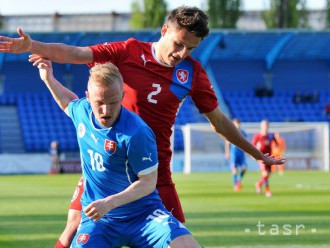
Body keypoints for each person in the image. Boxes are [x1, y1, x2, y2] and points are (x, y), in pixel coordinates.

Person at [0, 6, 285, 247]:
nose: (182, 53)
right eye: (178, 43)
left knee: (179, 240)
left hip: (153, 173)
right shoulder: (128, 52)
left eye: (191, 48)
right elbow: (75, 53)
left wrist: (254, 152)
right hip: (108, 167)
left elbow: (219, 121)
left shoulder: (192, 73)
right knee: (73, 225)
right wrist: (33, 46)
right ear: (164, 31)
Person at [36, 58, 201, 247]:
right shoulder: (82, 112)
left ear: (122, 96)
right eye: (100, 103)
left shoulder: (137, 132)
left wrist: (108, 203)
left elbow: (148, 183)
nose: (106, 110)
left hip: (143, 216)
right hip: (101, 221)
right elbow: (67, 101)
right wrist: (48, 78)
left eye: (113, 102)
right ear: (88, 97)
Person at [252, 120, 278, 197]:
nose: (265, 126)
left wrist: (276, 143)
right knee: (265, 173)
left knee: (268, 175)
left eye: (266, 125)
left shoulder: (271, 136)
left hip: (269, 157)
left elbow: (276, 144)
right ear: (261, 126)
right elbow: (253, 145)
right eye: (264, 125)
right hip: (261, 157)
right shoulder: (258, 136)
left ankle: (259, 184)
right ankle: (268, 191)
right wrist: (254, 155)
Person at [225, 118, 247, 191]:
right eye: (236, 124)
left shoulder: (243, 133)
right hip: (234, 154)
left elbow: (247, 144)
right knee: (234, 170)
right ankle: (235, 184)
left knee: (244, 168)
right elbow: (227, 143)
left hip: (242, 154)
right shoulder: (231, 133)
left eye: (238, 124)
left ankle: (238, 180)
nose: (238, 125)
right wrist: (227, 152)